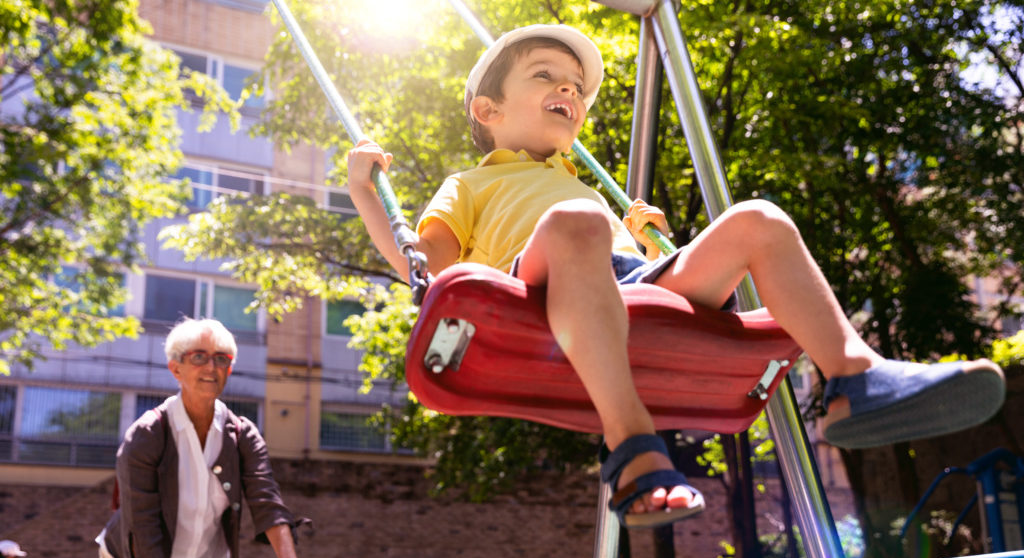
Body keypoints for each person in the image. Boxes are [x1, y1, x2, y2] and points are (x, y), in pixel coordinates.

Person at [346, 25, 1006, 529]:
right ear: (487, 112)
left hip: (628, 283)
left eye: (576, 88)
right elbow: (426, 266)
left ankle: (852, 377)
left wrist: (641, 240)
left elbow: (623, 260)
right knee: (576, 221)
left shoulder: (578, 185)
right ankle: (632, 446)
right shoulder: (472, 183)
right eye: (546, 77)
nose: (568, 92)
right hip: (532, 298)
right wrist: (368, 195)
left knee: (758, 219)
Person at [95, 317, 330, 558]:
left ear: (230, 369)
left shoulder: (241, 434)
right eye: (199, 357)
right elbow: (142, 529)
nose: (211, 366)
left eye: (221, 359)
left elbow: (267, 500)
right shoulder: (147, 434)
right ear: (176, 368)